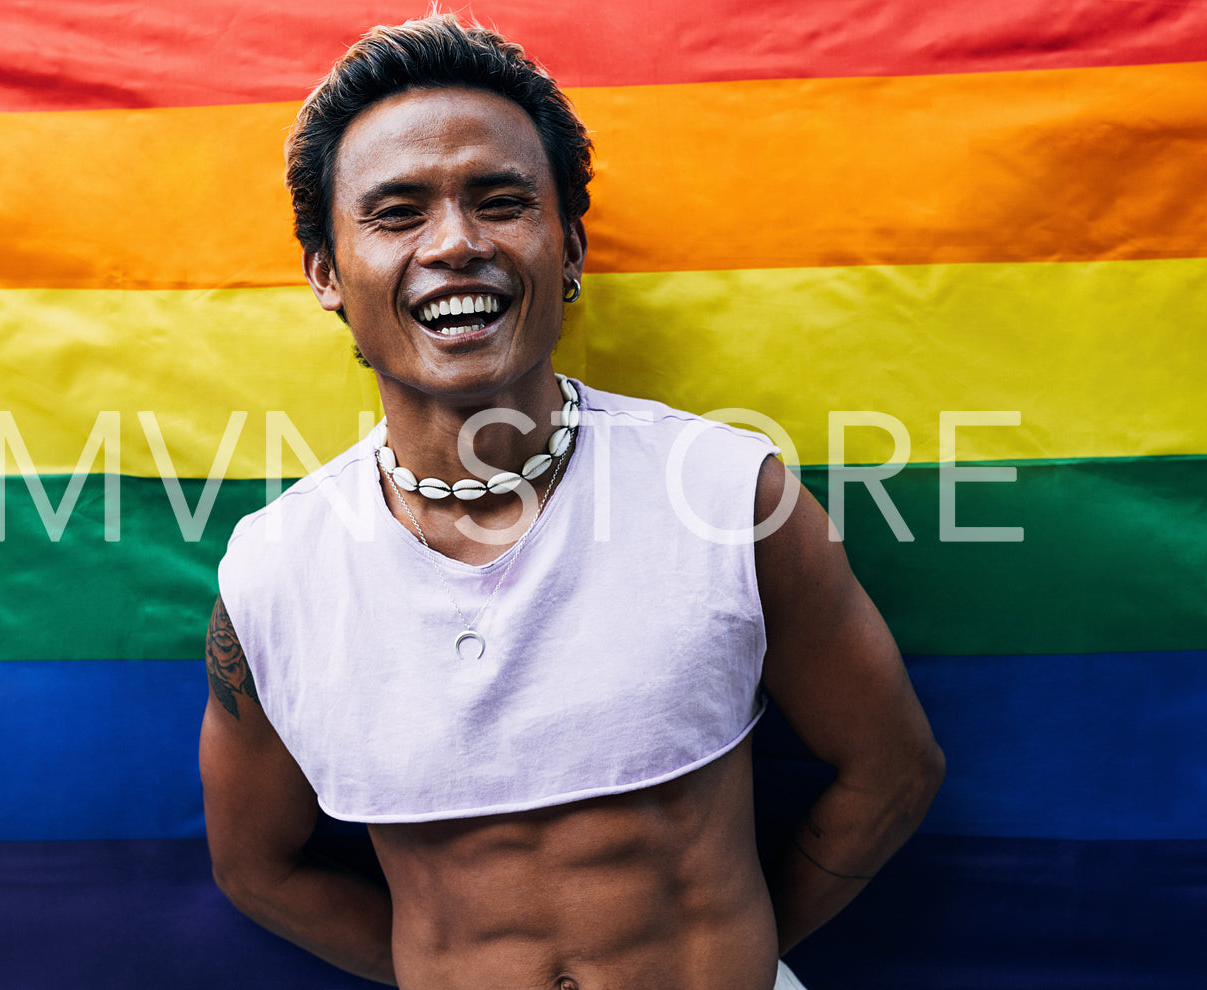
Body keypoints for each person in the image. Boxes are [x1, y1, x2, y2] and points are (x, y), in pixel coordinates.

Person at [199, 15, 944, 990]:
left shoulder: (728, 495)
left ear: (569, 247)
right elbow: (254, 867)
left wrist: (736, 962)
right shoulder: (273, 574)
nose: (456, 242)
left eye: (501, 201)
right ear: (326, 274)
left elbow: (892, 770)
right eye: (396, 213)